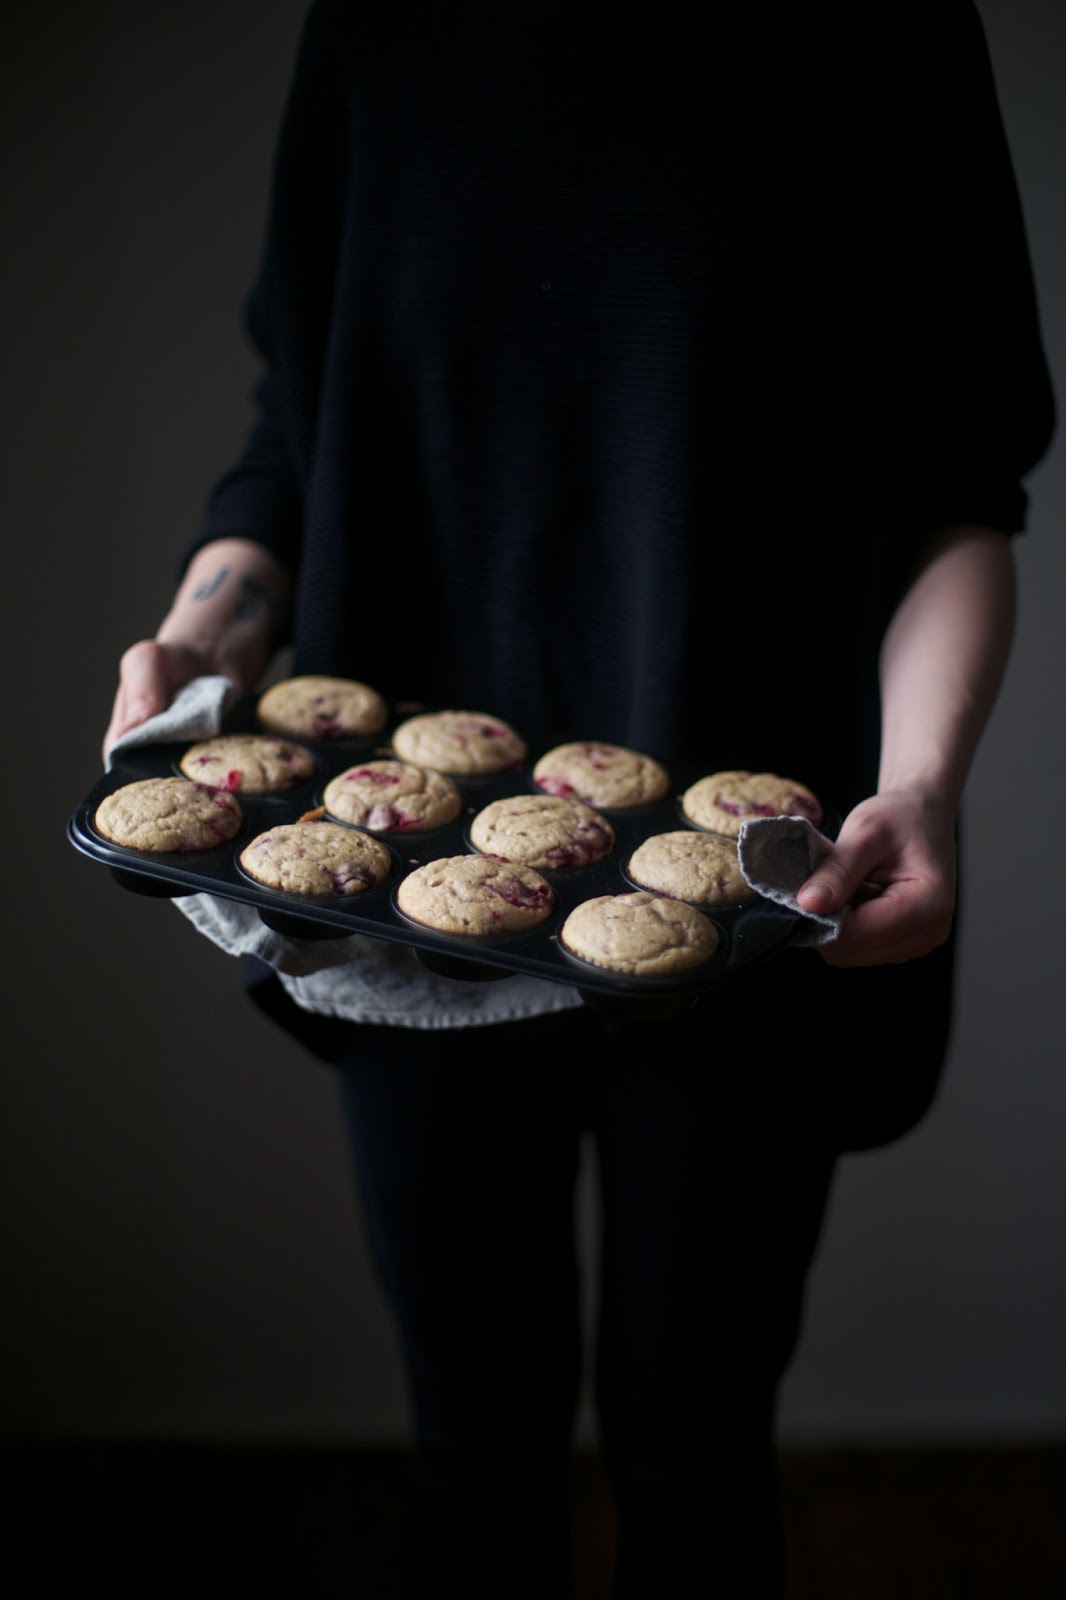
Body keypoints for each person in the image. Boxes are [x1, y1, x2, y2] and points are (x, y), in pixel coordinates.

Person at [103, 3, 1054, 1594]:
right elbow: (297, 426)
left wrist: (924, 784)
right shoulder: (382, 34)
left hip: (758, 888)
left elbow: (962, 485)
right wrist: (208, 622)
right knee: (470, 1457)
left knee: (694, 1459)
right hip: (392, 880)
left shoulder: (883, 36)